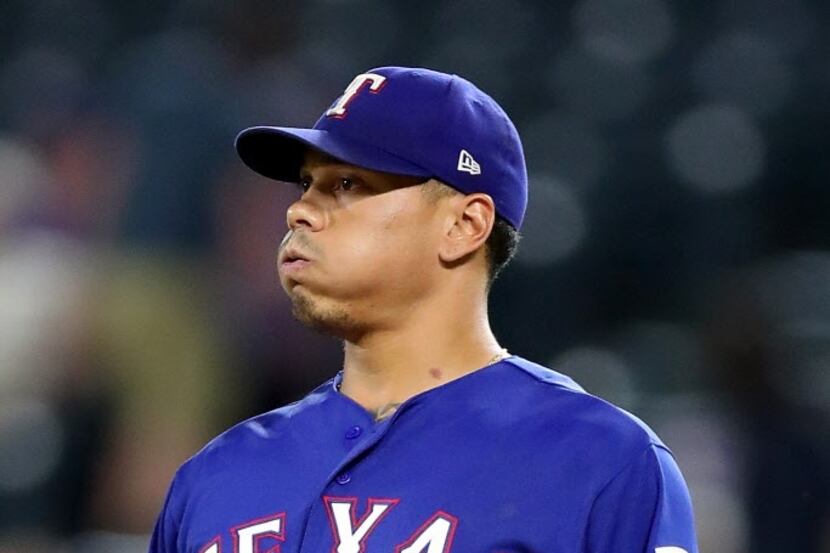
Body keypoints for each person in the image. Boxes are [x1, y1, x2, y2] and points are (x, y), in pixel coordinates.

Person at [149, 66, 698, 553]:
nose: (299, 210)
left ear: (465, 225)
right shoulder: (216, 477)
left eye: (347, 182)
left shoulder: (598, 464)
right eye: (306, 184)